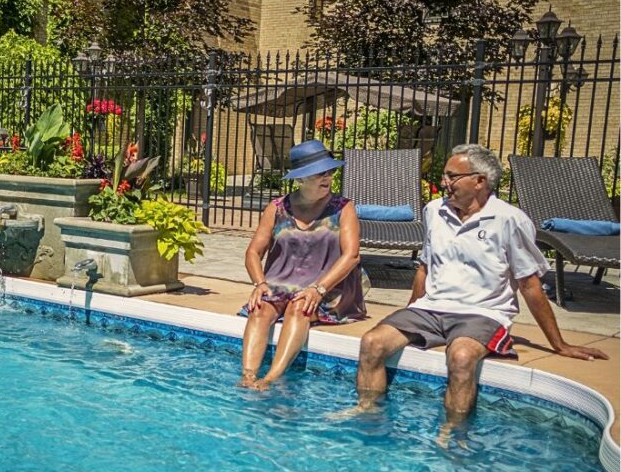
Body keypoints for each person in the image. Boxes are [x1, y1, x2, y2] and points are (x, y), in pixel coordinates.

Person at [355, 144, 608, 422]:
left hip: (483, 314)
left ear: (479, 181)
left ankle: (453, 432)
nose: (444, 183)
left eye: (452, 176)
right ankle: (367, 416)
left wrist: (559, 344)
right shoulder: (433, 211)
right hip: (430, 309)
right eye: (444, 175)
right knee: (372, 342)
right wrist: (408, 315)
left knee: (461, 357)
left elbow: (529, 285)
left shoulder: (510, 219)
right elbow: (425, 268)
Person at [240, 140, 366, 390]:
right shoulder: (277, 208)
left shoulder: (343, 208)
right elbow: (253, 252)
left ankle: (271, 378)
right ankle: (248, 378)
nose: (327, 177)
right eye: (320, 173)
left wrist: (318, 289)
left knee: (300, 308)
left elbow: (352, 256)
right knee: (259, 308)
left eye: (330, 172)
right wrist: (259, 283)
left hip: (327, 288)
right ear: (301, 179)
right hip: (279, 284)